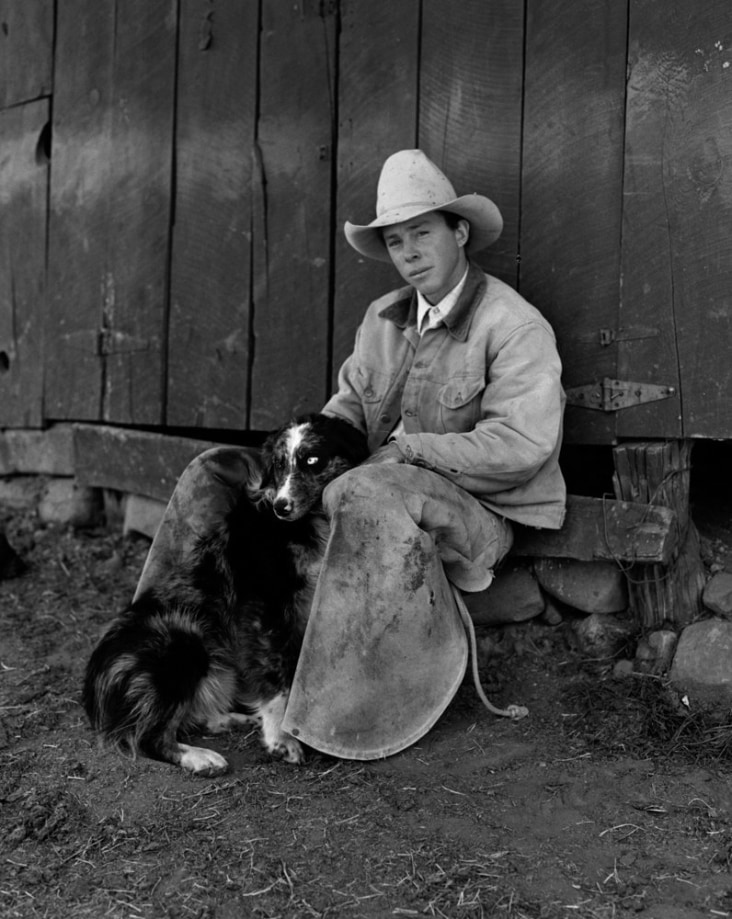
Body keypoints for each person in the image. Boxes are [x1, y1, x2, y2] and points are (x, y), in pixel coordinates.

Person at [135, 149, 566, 761]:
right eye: (395, 241)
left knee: (358, 488)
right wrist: (290, 458)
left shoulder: (513, 326)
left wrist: (406, 451)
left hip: (478, 513)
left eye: (422, 233)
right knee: (216, 471)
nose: (409, 252)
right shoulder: (384, 319)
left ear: (460, 232)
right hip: (370, 489)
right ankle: (167, 652)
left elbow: (523, 447)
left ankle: (346, 709)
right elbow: (345, 415)